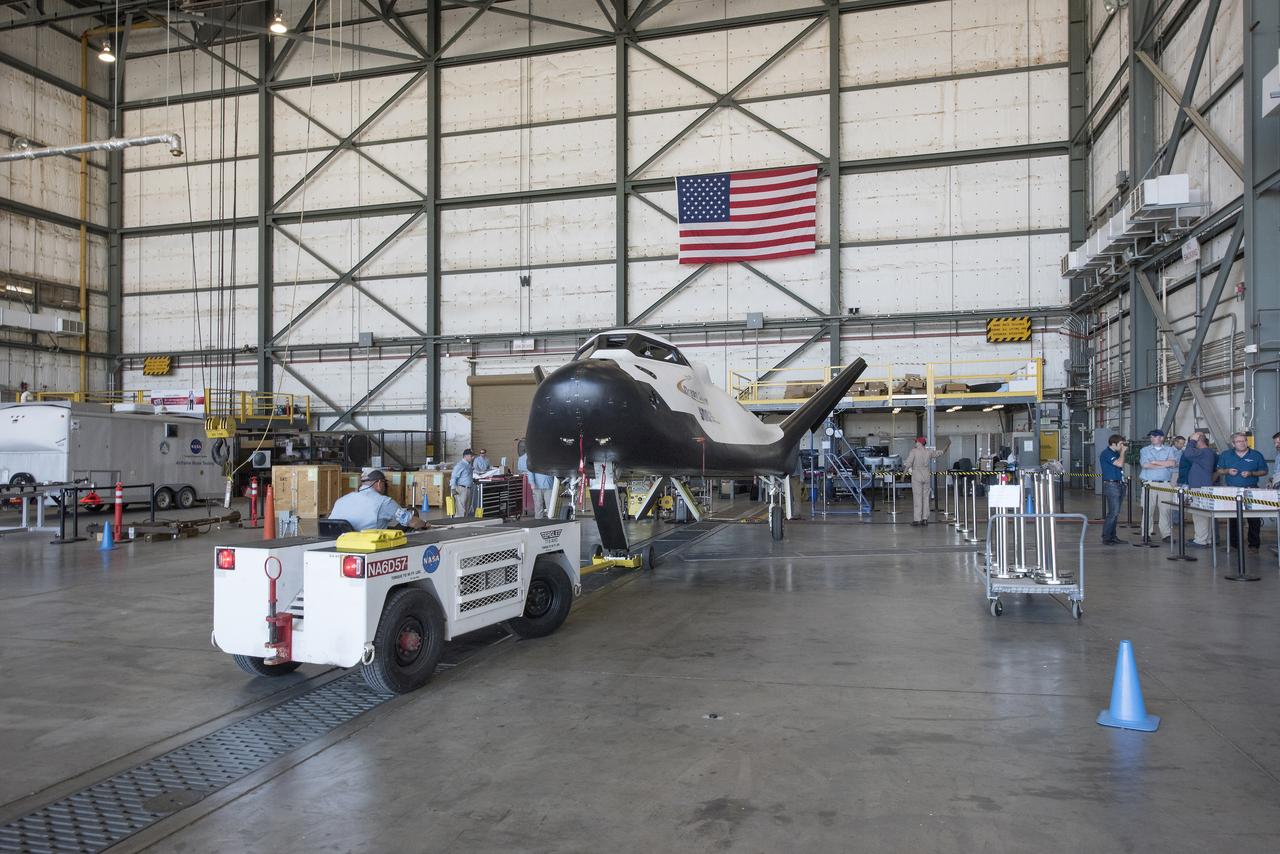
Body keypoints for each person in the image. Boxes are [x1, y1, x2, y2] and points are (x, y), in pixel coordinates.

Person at [327, 469, 428, 531]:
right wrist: (424, 524)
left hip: (337, 543)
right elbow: (411, 521)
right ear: (379, 483)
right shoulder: (384, 502)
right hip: (370, 546)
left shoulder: (341, 500)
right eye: (384, 483)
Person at [1216, 432, 1269, 550]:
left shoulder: (1256, 455)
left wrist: (1251, 473)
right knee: (1234, 518)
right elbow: (1219, 470)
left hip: (1252, 489)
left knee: (1254, 519)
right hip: (1232, 491)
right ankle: (1235, 545)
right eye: (1239, 441)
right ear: (1233, 444)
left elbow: (1264, 471)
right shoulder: (1226, 455)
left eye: (1244, 440)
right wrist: (1228, 471)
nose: (1242, 443)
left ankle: (1254, 545)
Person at [1139, 429, 1178, 540]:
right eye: (1151, 436)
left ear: (1161, 438)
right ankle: (1146, 533)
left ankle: (1166, 534)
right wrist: (1164, 465)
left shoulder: (1169, 450)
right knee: (1148, 509)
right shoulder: (1145, 450)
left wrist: (1155, 462)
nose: (1152, 438)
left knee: (1165, 510)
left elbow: (1172, 463)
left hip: (1165, 484)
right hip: (1149, 484)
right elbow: (1145, 465)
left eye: (1154, 436)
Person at [904, 436, 949, 526]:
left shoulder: (914, 451)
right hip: (926, 475)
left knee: (917, 497)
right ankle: (925, 519)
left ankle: (917, 519)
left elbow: (908, 463)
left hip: (917, 474)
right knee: (925, 498)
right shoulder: (928, 451)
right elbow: (941, 452)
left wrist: (903, 474)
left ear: (919, 443)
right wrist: (948, 444)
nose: (915, 443)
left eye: (916, 442)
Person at [1181, 431, 1217, 546]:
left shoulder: (1204, 452)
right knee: (1204, 515)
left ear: (1199, 441)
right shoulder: (1206, 453)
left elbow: (1188, 454)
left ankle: (1200, 540)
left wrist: (1192, 440)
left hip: (1200, 487)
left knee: (1199, 515)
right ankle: (1207, 538)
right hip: (1201, 486)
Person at [1099, 434, 1128, 545]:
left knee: (1116, 513)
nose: (1122, 446)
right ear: (1113, 444)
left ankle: (1113, 536)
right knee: (1113, 512)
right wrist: (1122, 452)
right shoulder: (1106, 453)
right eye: (1121, 444)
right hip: (1112, 485)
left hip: (1119, 484)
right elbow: (1120, 464)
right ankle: (1106, 537)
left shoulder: (1116, 453)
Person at [517, 450, 557, 519]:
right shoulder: (534, 460)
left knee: (550, 505)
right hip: (537, 486)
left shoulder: (550, 460)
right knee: (538, 505)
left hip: (549, 486)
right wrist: (532, 483)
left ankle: (551, 521)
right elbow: (530, 471)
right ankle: (538, 521)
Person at [451, 449, 476, 518]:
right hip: (461, 489)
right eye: (471, 456)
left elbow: (466, 476)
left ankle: (464, 524)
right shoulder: (460, 465)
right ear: (466, 456)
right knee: (461, 509)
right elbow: (454, 477)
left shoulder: (468, 465)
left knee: (466, 509)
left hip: (468, 488)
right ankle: (458, 524)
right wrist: (453, 488)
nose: (473, 457)